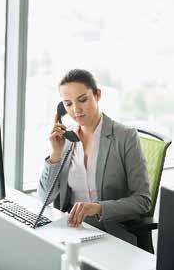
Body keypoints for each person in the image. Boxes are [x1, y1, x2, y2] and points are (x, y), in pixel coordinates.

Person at [37, 69, 151, 245]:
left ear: (97, 95)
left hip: (110, 234)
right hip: (71, 232)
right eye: (68, 104)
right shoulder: (66, 139)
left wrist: (98, 208)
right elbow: (45, 198)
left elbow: (143, 201)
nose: (76, 110)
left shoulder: (125, 136)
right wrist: (56, 154)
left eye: (82, 100)